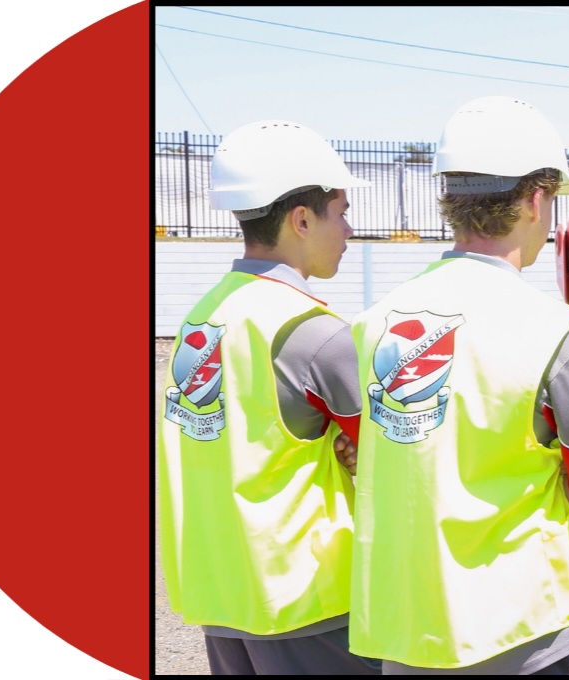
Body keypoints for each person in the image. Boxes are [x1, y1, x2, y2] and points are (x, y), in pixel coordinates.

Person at [346, 96, 569, 675]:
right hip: (526, 631)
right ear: (535, 199)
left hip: (407, 630)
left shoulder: (372, 323)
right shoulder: (555, 329)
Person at [155, 120, 379, 674]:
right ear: (301, 220)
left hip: (222, 595)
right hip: (307, 599)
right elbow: (393, 457)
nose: (349, 230)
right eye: (342, 212)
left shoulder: (204, 317)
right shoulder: (310, 330)